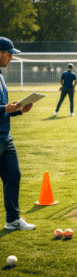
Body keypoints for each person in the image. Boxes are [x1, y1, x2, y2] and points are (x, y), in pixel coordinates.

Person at [0, 36, 35, 230]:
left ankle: (13, 220)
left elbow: (3, 110)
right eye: (8, 54)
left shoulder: (1, 76)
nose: (11, 58)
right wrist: (5, 108)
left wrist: (19, 110)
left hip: (6, 137)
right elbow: (2, 109)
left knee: (13, 176)